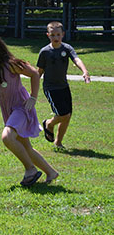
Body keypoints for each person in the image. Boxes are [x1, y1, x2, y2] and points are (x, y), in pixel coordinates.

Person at [0, 34, 58, 186]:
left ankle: (30, 170)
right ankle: (51, 172)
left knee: (7, 137)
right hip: (9, 112)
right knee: (26, 147)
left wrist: (33, 97)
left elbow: (34, 74)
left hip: (22, 108)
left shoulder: (10, 64)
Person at [37, 21, 90, 149]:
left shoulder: (67, 48)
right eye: (53, 35)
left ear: (63, 35)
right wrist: (33, 88)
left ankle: (58, 142)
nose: (56, 37)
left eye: (58, 35)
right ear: (48, 35)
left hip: (63, 86)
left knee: (67, 116)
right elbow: (39, 71)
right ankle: (49, 124)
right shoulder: (44, 52)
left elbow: (76, 59)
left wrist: (84, 71)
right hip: (51, 88)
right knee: (63, 114)